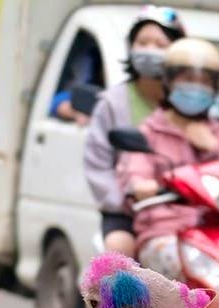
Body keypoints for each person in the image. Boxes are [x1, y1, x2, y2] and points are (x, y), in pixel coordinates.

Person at [117, 37, 219, 281]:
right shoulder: (149, 132)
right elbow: (135, 180)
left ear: (214, 88)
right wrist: (155, 185)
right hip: (165, 233)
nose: (196, 87)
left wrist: (212, 147)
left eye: (204, 81)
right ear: (169, 81)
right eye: (188, 79)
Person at [84, 6, 185, 257]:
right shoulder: (112, 102)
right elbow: (97, 165)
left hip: (184, 209)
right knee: (119, 254)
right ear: (131, 47)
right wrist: (129, 198)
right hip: (127, 211)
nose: (150, 51)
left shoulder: (190, 102)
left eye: (161, 44)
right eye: (143, 42)